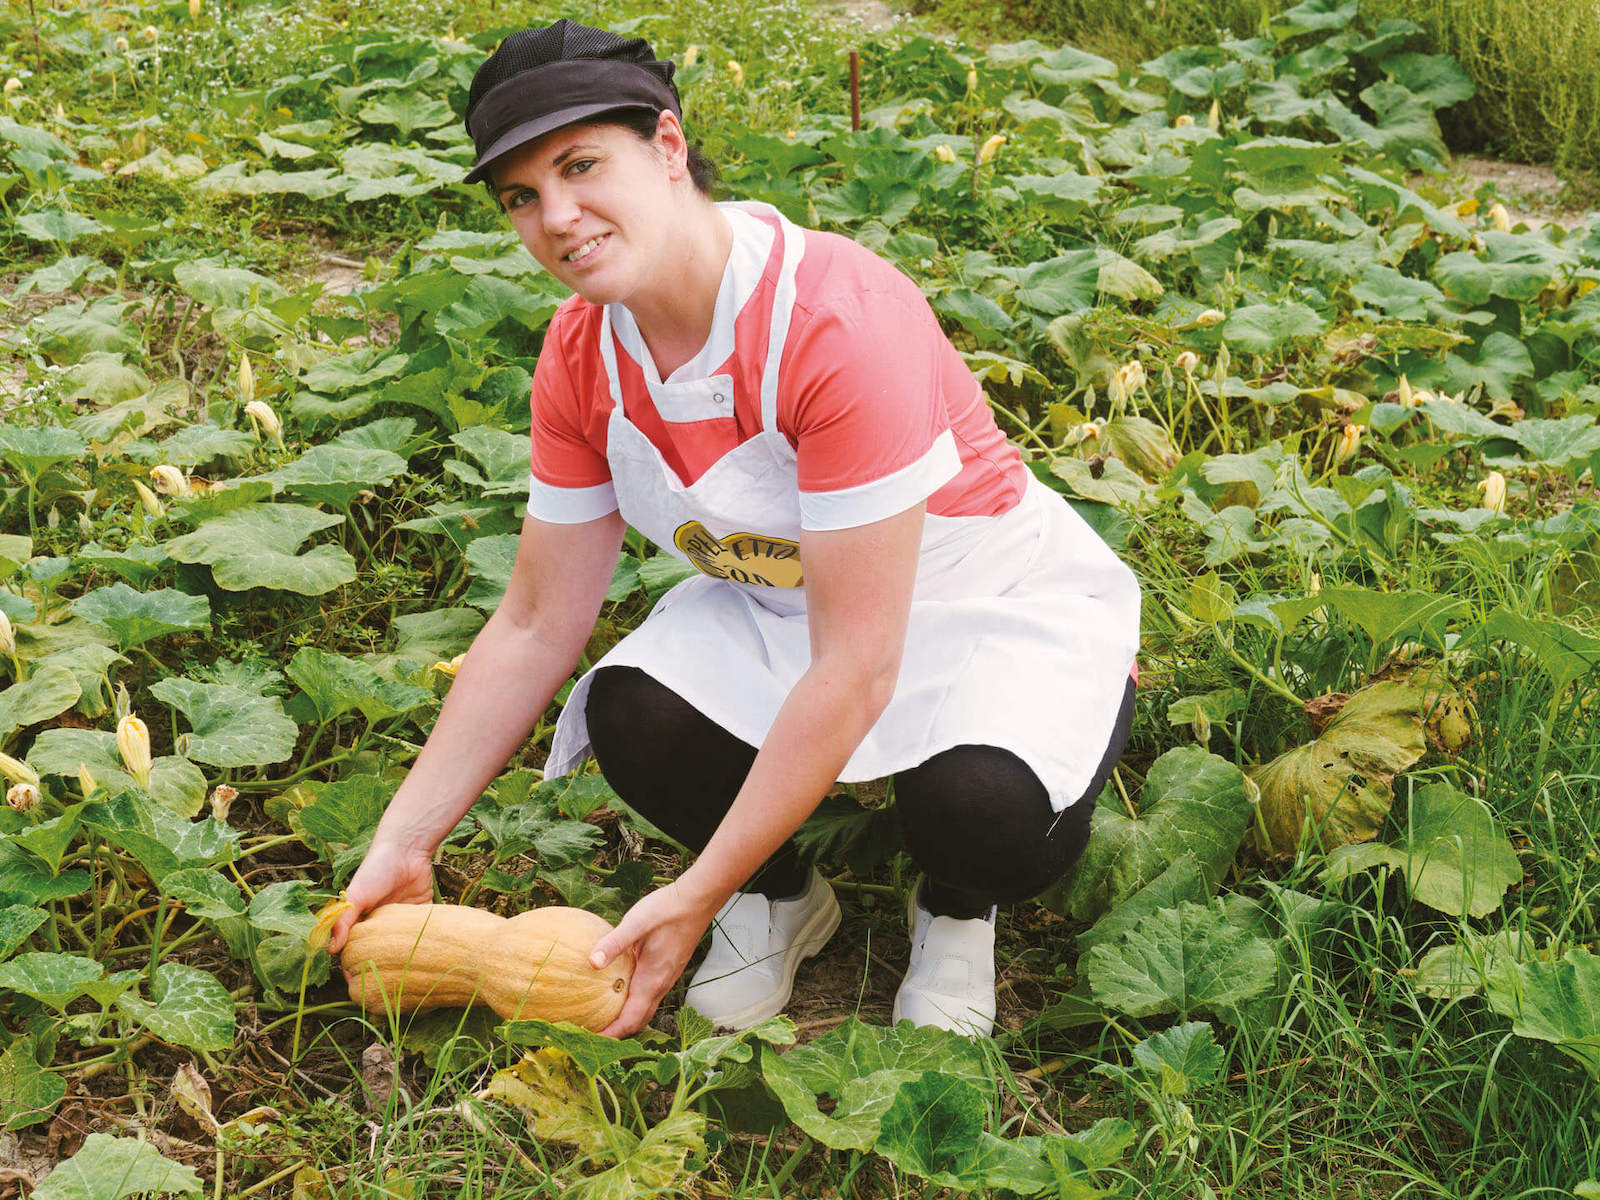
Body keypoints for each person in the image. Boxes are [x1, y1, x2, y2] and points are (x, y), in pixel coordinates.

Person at [327, 19, 1140, 1039]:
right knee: (634, 714)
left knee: (982, 807)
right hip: (789, 603)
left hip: (979, 601)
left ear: (667, 149)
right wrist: (406, 836)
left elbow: (857, 667)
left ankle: (956, 908)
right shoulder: (581, 355)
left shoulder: (835, 321)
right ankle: (785, 893)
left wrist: (692, 891)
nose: (557, 218)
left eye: (582, 166)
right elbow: (536, 621)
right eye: (522, 197)